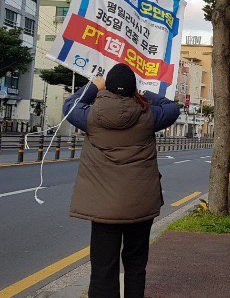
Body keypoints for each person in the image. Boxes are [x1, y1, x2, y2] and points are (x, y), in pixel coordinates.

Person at [63, 63, 180, 298]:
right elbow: (172, 107)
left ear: (107, 87)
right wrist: (146, 92)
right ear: (132, 89)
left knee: (103, 269)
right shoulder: (149, 115)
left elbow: (69, 106)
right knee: (136, 266)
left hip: (103, 209)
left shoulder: (91, 116)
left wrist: (93, 87)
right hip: (140, 206)